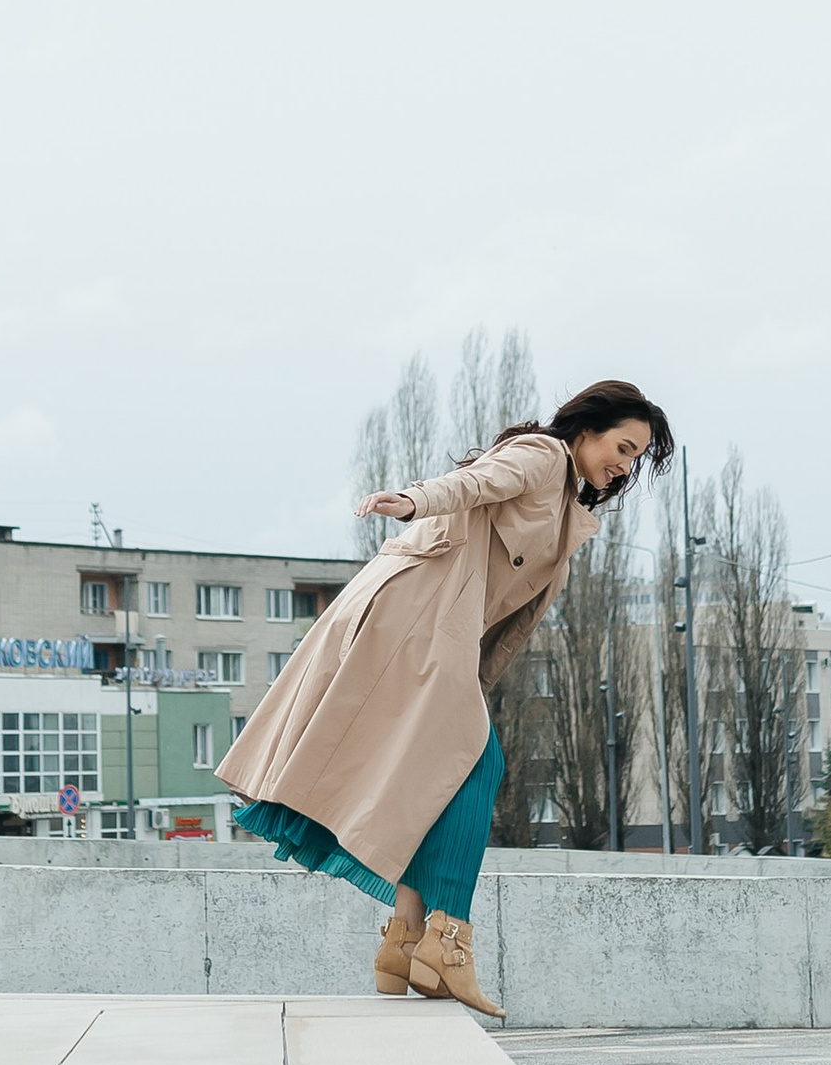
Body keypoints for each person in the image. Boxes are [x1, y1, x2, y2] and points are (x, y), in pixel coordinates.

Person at [219, 380, 675, 1013]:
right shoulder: (544, 456)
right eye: (622, 447)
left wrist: (476, 683)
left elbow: (504, 616)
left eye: (635, 458)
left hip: (434, 627)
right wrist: (410, 500)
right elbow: (475, 483)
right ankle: (447, 939)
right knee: (478, 762)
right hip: (417, 614)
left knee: (441, 773)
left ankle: (404, 941)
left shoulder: (569, 504)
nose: (625, 466)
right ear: (587, 429)